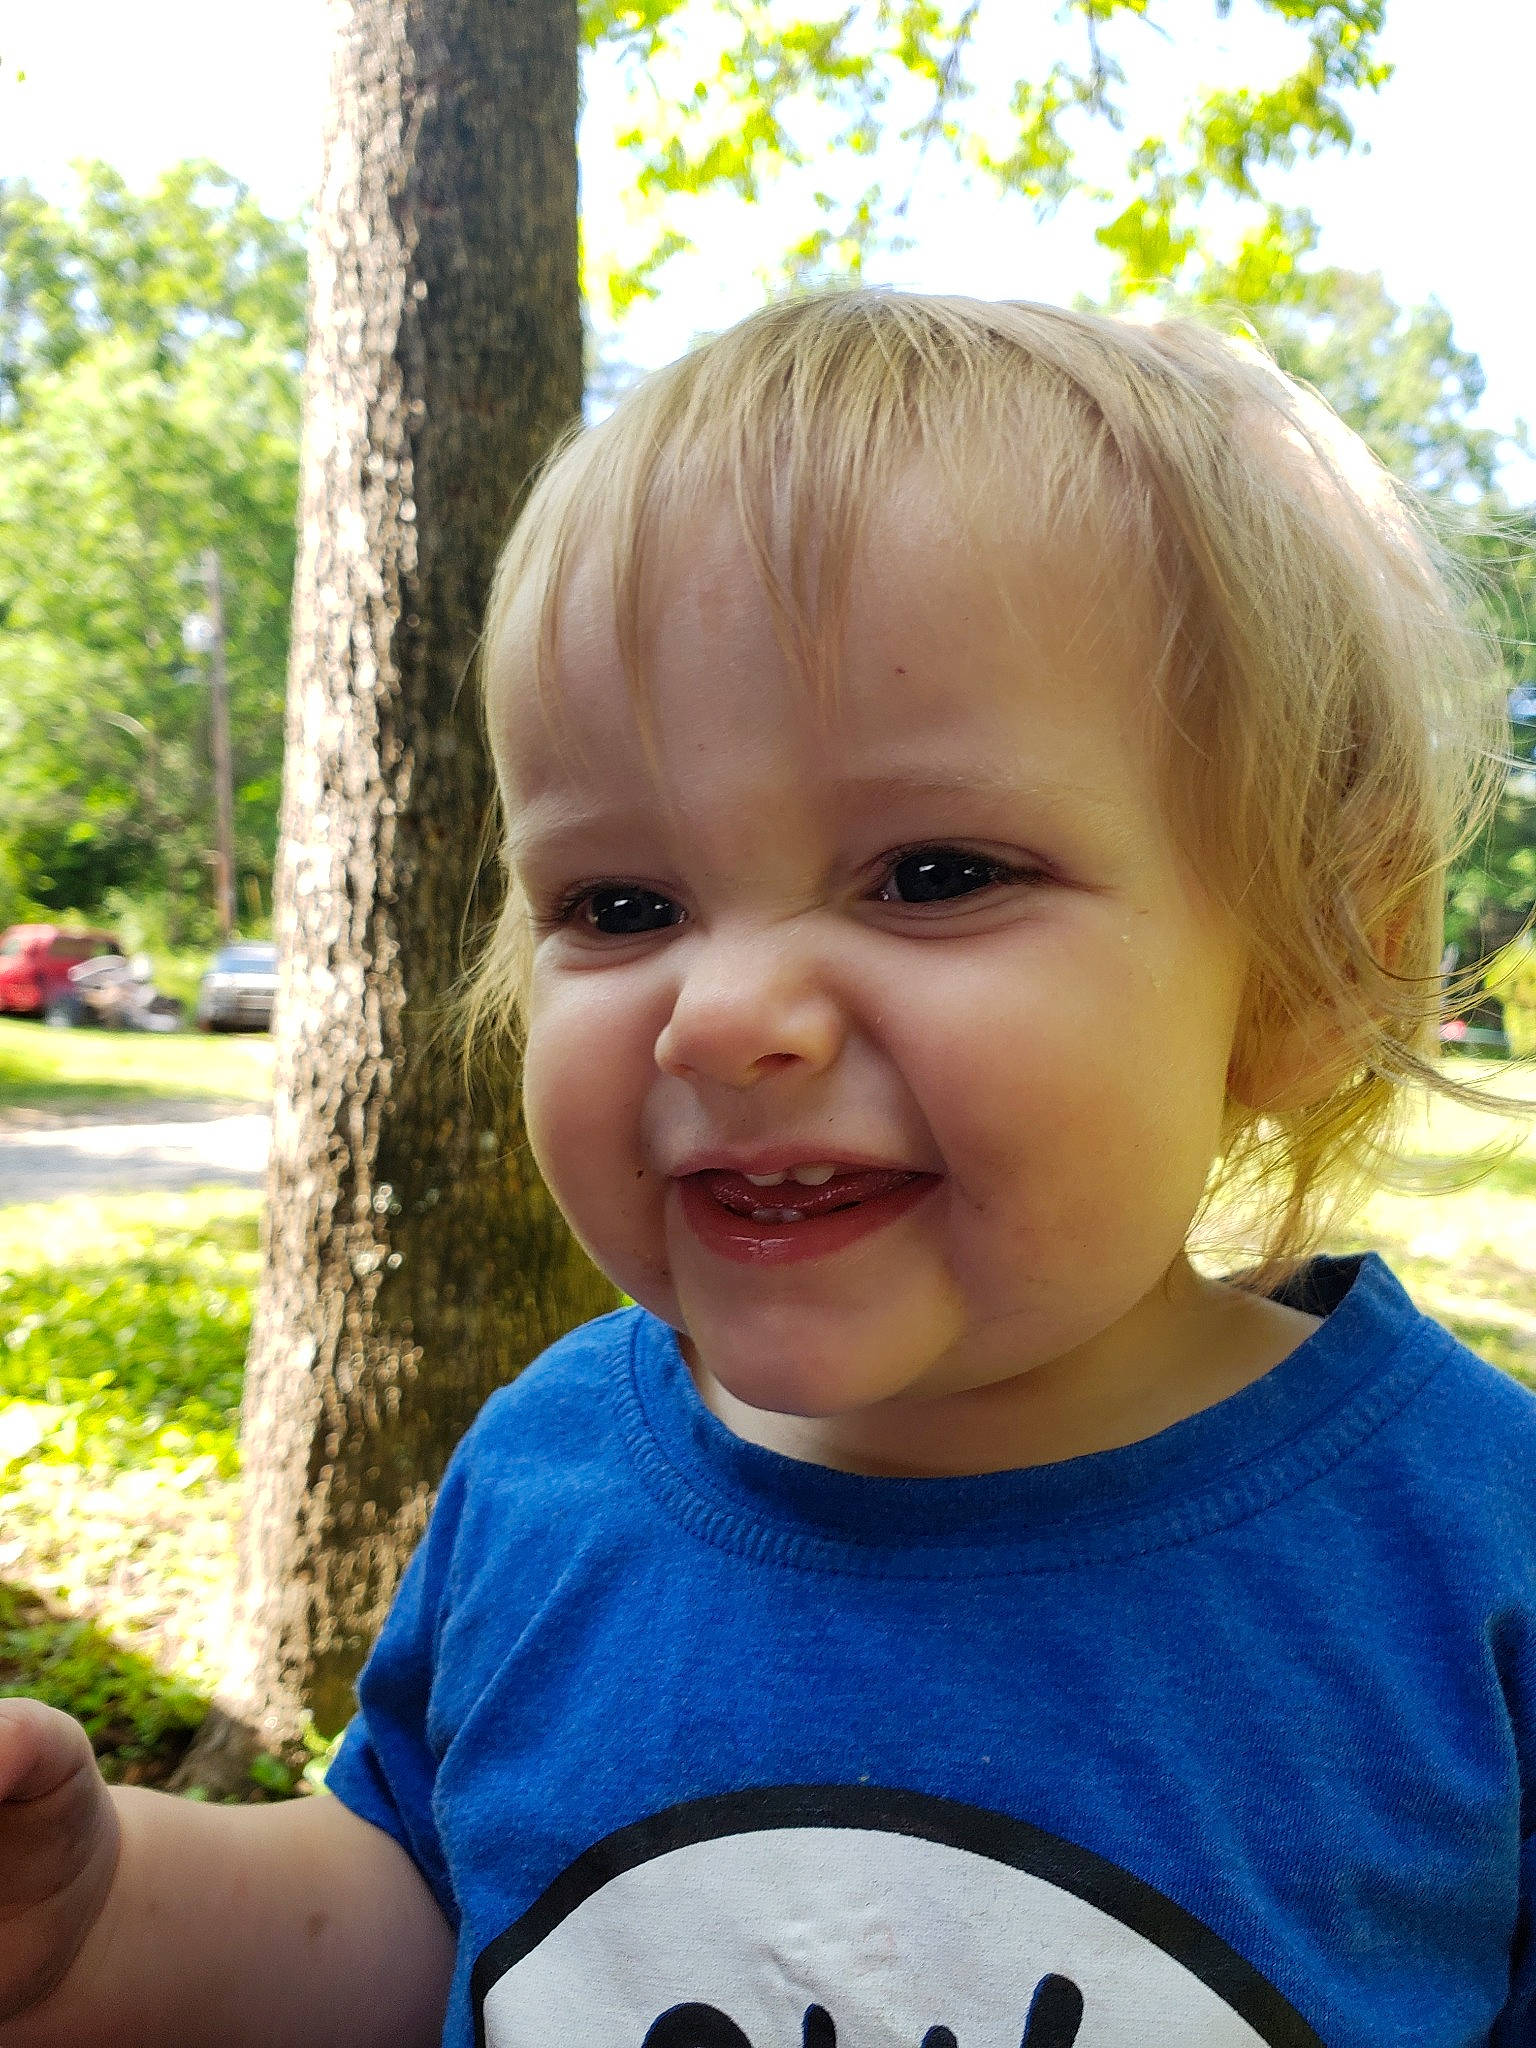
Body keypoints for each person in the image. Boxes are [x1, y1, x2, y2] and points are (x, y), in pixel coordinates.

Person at [1, 292, 1531, 2048]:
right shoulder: (551, 1476)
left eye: (936, 872)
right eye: (621, 906)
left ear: (1316, 965)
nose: (721, 1016)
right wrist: (92, 1924)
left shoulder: (1473, 1560)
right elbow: (418, 1918)